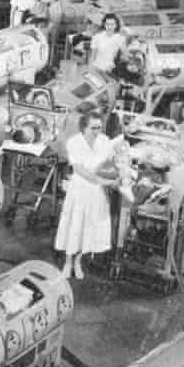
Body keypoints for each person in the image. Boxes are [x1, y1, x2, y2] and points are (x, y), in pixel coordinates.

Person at [55, 111, 117, 279]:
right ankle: (68, 262)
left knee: (88, 229)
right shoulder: (73, 142)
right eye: (93, 128)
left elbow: (112, 161)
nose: (97, 131)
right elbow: (79, 170)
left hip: (96, 194)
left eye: (99, 127)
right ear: (83, 128)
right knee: (74, 227)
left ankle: (78, 262)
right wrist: (101, 181)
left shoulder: (104, 141)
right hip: (80, 190)